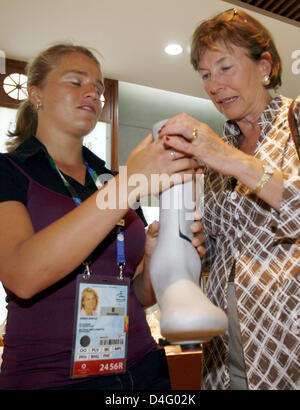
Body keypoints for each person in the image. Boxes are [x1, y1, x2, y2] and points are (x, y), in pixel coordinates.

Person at [0, 43, 202, 390]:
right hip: (50, 377)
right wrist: (129, 185)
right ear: (36, 95)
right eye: (76, 82)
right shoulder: (9, 171)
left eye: (98, 86)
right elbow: (23, 275)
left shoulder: (107, 179)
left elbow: (140, 294)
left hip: (142, 367)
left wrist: (155, 255)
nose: (93, 93)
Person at [159, 8, 300, 390]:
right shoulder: (221, 148)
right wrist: (192, 245)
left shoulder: (295, 120)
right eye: (205, 75)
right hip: (224, 362)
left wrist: (226, 158)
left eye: (225, 67)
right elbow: (228, 249)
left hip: (287, 358)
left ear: (265, 66)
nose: (214, 85)